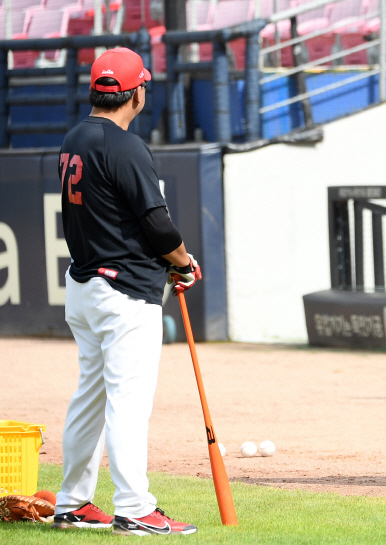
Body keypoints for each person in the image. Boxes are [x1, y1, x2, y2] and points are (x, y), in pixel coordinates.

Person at [53, 47, 202, 536]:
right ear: (137, 93)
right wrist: (182, 261)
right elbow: (157, 225)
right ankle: (135, 508)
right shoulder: (124, 146)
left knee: (90, 399)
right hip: (124, 294)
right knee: (126, 403)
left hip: (84, 287)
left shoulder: (74, 137)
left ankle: (72, 502)